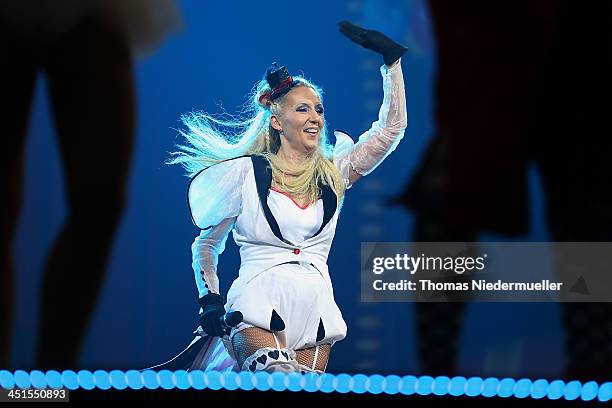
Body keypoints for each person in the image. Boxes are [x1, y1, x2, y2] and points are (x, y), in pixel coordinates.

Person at [155, 21, 408, 373]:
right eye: (302, 109)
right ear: (277, 121)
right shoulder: (245, 175)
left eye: (319, 109)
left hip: (314, 315)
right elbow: (206, 245)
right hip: (258, 308)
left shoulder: (333, 173)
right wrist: (209, 301)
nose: (315, 118)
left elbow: (390, 131)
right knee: (277, 379)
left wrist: (392, 64)